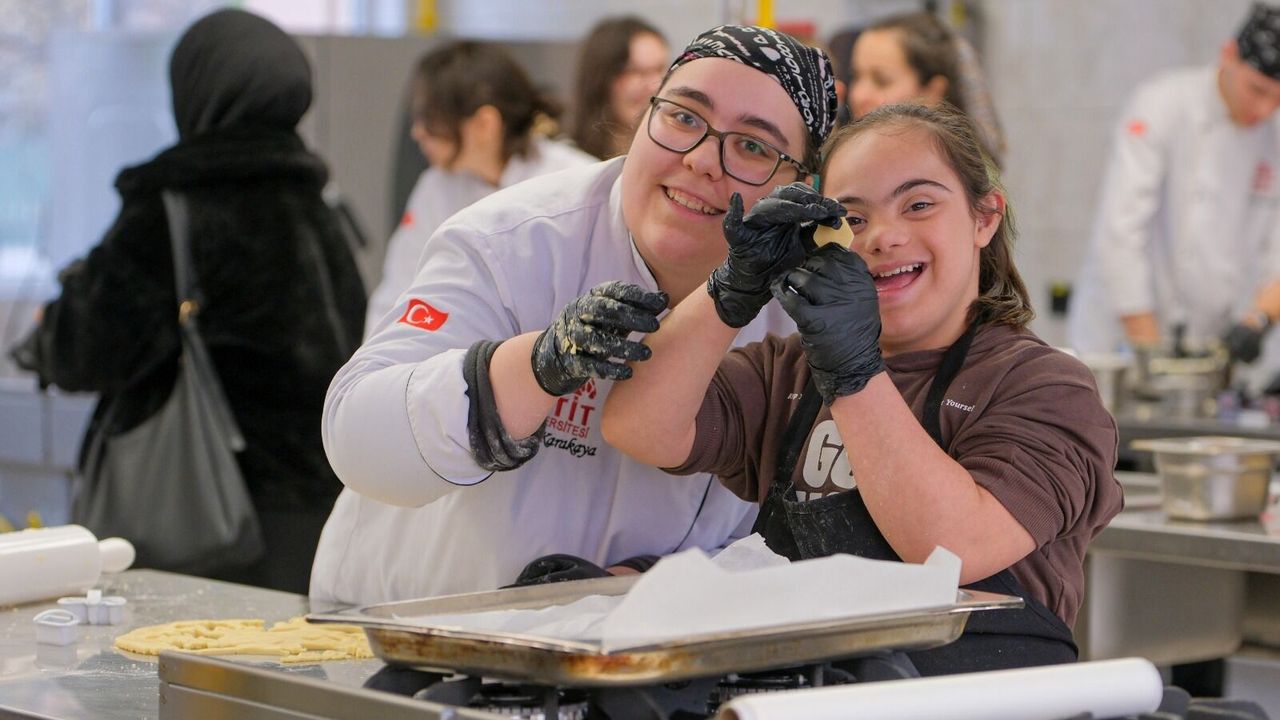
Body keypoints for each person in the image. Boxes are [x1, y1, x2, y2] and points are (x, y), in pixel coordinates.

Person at [310, 25, 839, 604]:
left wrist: (641, 584)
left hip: (641, 652)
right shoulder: (515, 241)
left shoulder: (801, 312)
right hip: (405, 626)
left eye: (754, 147)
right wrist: (531, 370)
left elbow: (803, 541)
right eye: (684, 117)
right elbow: (356, 435)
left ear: (800, 186)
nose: (702, 161)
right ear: (643, 117)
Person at [602, 102, 1123, 675]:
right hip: (810, 694)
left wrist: (852, 373)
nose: (884, 238)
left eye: (919, 205)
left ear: (984, 217)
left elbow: (952, 550)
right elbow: (639, 426)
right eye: (852, 218)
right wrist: (731, 288)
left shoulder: (1043, 388)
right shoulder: (790, 370)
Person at [10, 9, 366, 593]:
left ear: (197, 89)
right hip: (322, 515)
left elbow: (85, 349)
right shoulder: (321, 206)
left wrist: (51, 329)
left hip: (204, 520)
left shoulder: (171, 204)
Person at [1068, 3, 1280, 382]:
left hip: (1204, 352)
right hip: (1120, 345)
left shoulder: (1273, 140)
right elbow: (1120, 232)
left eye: (1278, 99)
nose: (1265, 109)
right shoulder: (1161, 106)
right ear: (1228, 55)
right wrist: (1152, 355)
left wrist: (1255, 322)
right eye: (1258, 90)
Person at [365, 41, 595, 334]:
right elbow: (398, 291)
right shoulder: (436, 187)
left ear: (485, 124)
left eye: (431, 120)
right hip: (459, 361)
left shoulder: (575, 179)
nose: (417, 132)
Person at [847, 11, 1005, 165]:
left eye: (882, 81)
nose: (859, 95)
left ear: (933, 92)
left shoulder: (948, 179)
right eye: (856, 76)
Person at [569, 16, 670, 160]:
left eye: (660, 69)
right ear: (601, 79)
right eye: (634, 71)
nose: (655, 84)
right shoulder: (570, 161)